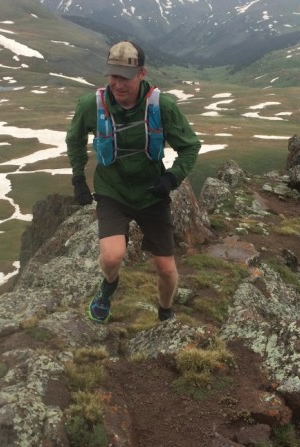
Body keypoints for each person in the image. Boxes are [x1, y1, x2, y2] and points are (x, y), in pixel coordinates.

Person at [65, 41, 201, 323]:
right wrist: (78, 177)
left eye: (124, 77)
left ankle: (165, 311)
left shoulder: (162, 106)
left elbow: (190, 146)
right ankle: (109, 285)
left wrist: (171, 178)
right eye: (112, 76)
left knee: (165, 268)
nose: (117, 84)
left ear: (142, 73)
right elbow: (74, 139)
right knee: (113, 256)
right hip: (112, 190)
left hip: (151, 194)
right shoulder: (92, 105)